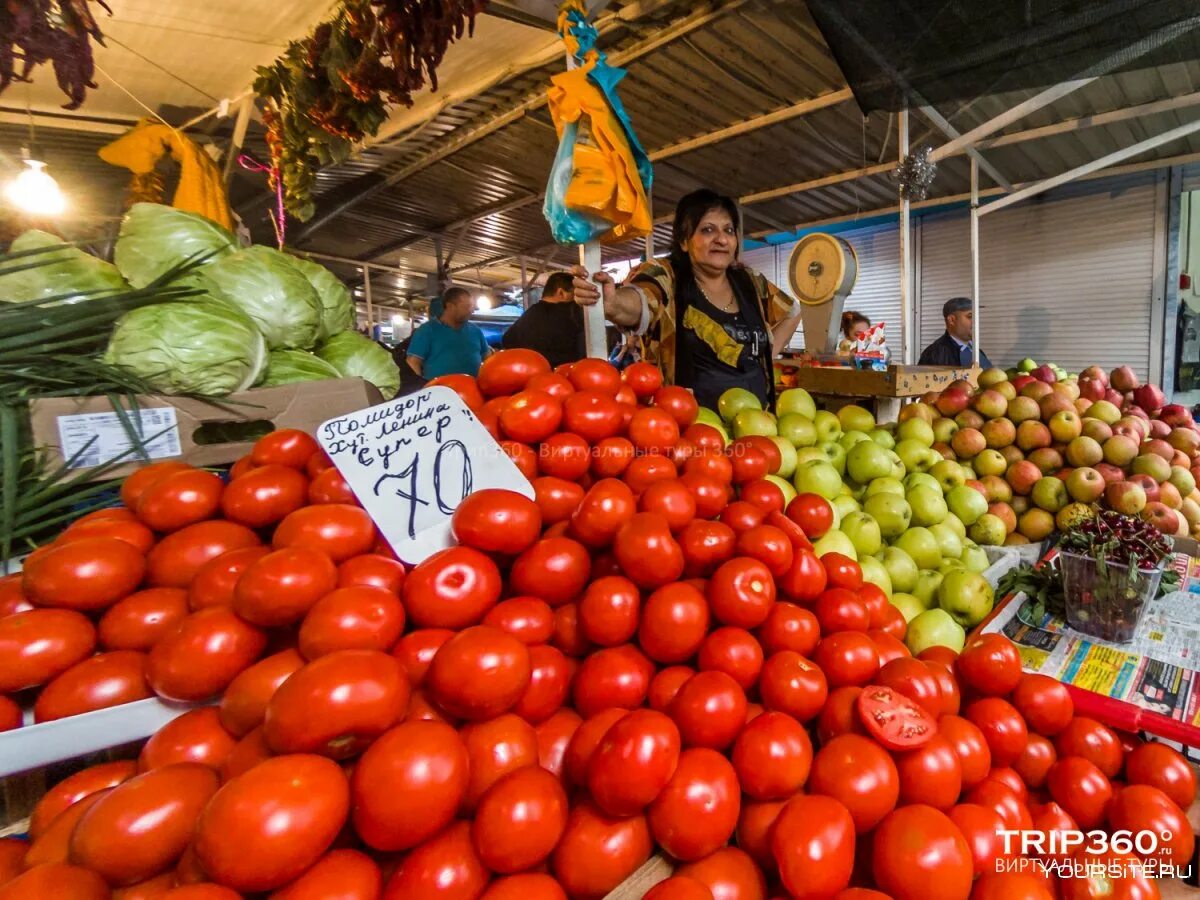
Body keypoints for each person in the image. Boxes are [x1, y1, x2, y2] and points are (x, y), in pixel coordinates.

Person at [572, 189, 802, 411]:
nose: (721, 239)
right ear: (684, 241)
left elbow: (792, 312)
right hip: (688, 433)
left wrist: (764, 357)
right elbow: (641, 301)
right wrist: (614, 303)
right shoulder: (666, 275)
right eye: (708, 230)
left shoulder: (750, 282)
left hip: (759, 428)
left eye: (729, 230)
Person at [500, 271, 587, 367]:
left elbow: (507, 340)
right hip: (567, 375)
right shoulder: (571, 312)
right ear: (561, 292)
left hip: (530, 375)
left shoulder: (530, 313)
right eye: (575, 294)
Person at [406, 286, 491, 378]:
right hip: (438, 390)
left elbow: (488, 359)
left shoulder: (475, 331)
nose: (471, 311)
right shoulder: (427, 330)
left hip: (473, 389)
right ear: (450, 306)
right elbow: (413, 362)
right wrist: (417, 387)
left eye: (472, 306)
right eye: (467, 307)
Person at [918, 297, 992, 368]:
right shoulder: (934, 354)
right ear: (952, 320)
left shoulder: (976, 350)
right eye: (970, 316)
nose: (975, 322)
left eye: (976, 317)